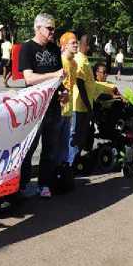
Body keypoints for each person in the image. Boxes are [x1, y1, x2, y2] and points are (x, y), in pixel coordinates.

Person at [17, 13, 66, 199]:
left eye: (54, 28)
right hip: (35, 107)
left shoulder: (54, 49)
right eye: (49, 28)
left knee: (50, 148)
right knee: (29, 147)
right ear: (38, 28)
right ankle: (22, 184)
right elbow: (29, 78)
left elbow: (59, 76)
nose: (53, 32)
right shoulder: (27, 48)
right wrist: (54, 75)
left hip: (53, 105)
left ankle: (44, 184)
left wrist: (62, 90)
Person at [69, 33, 115, 169]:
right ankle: (68, 167)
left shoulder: (84, 59)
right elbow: (80, 83)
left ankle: (72, 166)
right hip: (79, 107)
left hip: (83, 106)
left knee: (80, 139)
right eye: (92, 44)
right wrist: (89, 106)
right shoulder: (80, 60)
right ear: (87, 45)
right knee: (75, 139)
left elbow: (91, 84)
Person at [57, 32, 79, 170]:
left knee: (66, 142)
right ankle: (55, 171)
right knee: (57, 142)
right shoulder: (61, 62)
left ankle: (64, 170)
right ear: (64, 46)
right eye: (73, 43)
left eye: (76, 42)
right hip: (59, 109)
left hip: (69, 109)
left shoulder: (74, 63)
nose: (76, 45)